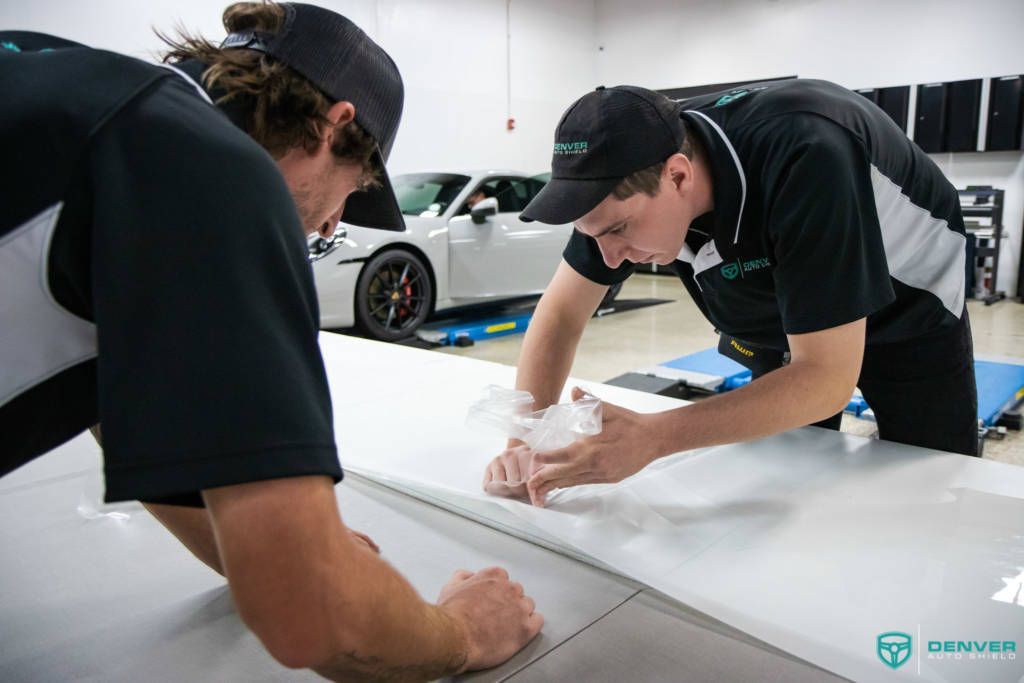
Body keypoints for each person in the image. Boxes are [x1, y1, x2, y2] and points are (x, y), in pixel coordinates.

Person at [0, 2, 541, 679]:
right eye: (353, 190)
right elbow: (311, 616)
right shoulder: (210, 170)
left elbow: (125, 406)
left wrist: (262, 536)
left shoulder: (69, 83)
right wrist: (461, 629)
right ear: (333, 124)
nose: (329, 225)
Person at [483, 80, 978, 507]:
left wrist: (653, 437)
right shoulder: (621, 186)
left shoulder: (809, 153)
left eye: (619, 232)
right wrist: (524, 441)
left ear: (678, 175)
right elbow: (561, 315)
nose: (609, 257)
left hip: (910, 305)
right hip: (777, 312)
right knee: (783, 474)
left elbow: (827, 379)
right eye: (596, 236)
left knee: (934, 484)